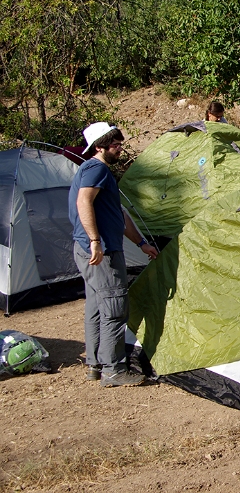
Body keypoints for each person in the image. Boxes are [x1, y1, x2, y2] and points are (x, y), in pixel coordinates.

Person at [69, 122, 158, 387]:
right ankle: (114, 370)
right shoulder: (95, 169)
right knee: (115, 308)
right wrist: (95, 240)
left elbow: (118, 214)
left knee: (97, 307)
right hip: (102, 252)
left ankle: (95, 365)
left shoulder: (97, 171)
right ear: (100, 147)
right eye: (115, 145)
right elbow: (83, 201)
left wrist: (141, 243)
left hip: (94, 249)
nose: (120, 149)